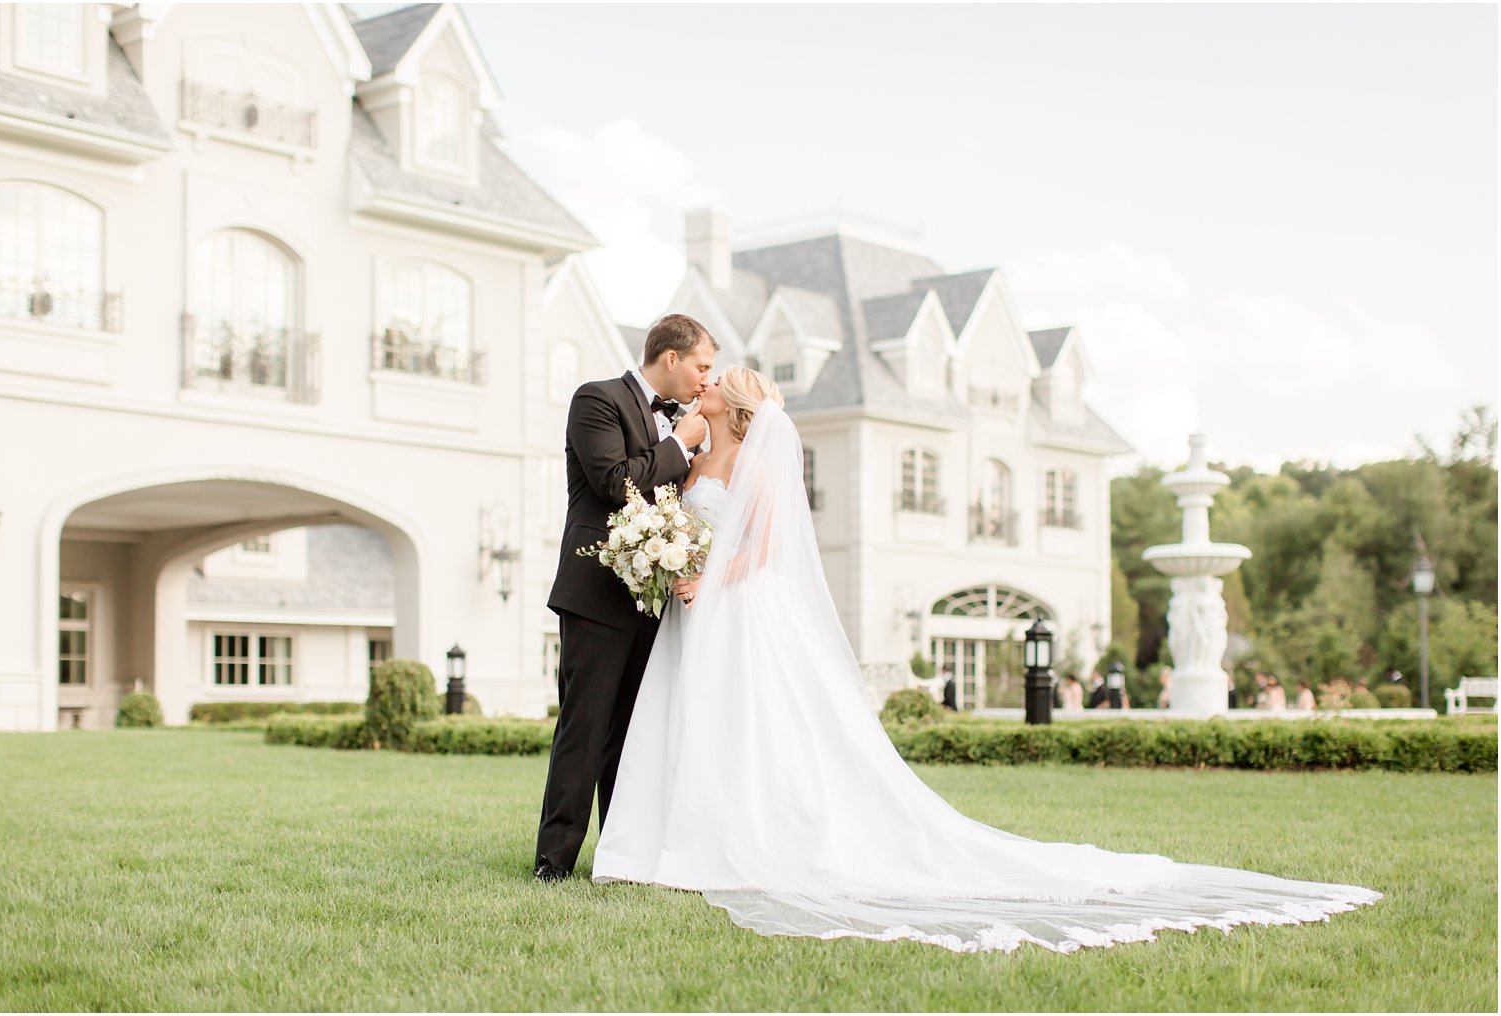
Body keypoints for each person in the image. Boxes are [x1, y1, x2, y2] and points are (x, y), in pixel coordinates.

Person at [586, 366, 1381, 954]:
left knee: (750, 725)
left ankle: (737, 836)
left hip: (733, 610)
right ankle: (670, 843)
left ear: (738, 405)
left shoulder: (753, 464)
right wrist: (668, 560)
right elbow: (678, 517)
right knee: (697, 720)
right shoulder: (691, 461)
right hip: (695, 612)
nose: (708, 382)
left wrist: (703, 577)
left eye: (719, 380)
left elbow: (756, 547)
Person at [533, 314, 716, 883]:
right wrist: (681, 444)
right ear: (671, 359)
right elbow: (619, 484)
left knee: (632, 735)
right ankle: (553, 861)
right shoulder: (596, 399)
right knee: (584, 727)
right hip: (595, 593)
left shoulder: (688, 422)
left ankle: (618, 857)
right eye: (702, 366)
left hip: (652, 599)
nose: (706, 380)